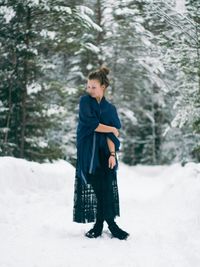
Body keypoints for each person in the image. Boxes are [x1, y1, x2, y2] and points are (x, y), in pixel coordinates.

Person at [73, 66, 129, 240]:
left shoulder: (109, 109)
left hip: (105, 154)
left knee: (106, 190)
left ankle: (103, 225)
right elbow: (93, 125)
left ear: (103, 87)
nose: (89, 90)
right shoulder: (85, 102)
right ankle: (108, 225)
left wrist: (112, 155)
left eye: (93, 87)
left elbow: (111, 136)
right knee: (99, 189)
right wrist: (111, 128)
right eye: (88, 86)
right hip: (89, 154)